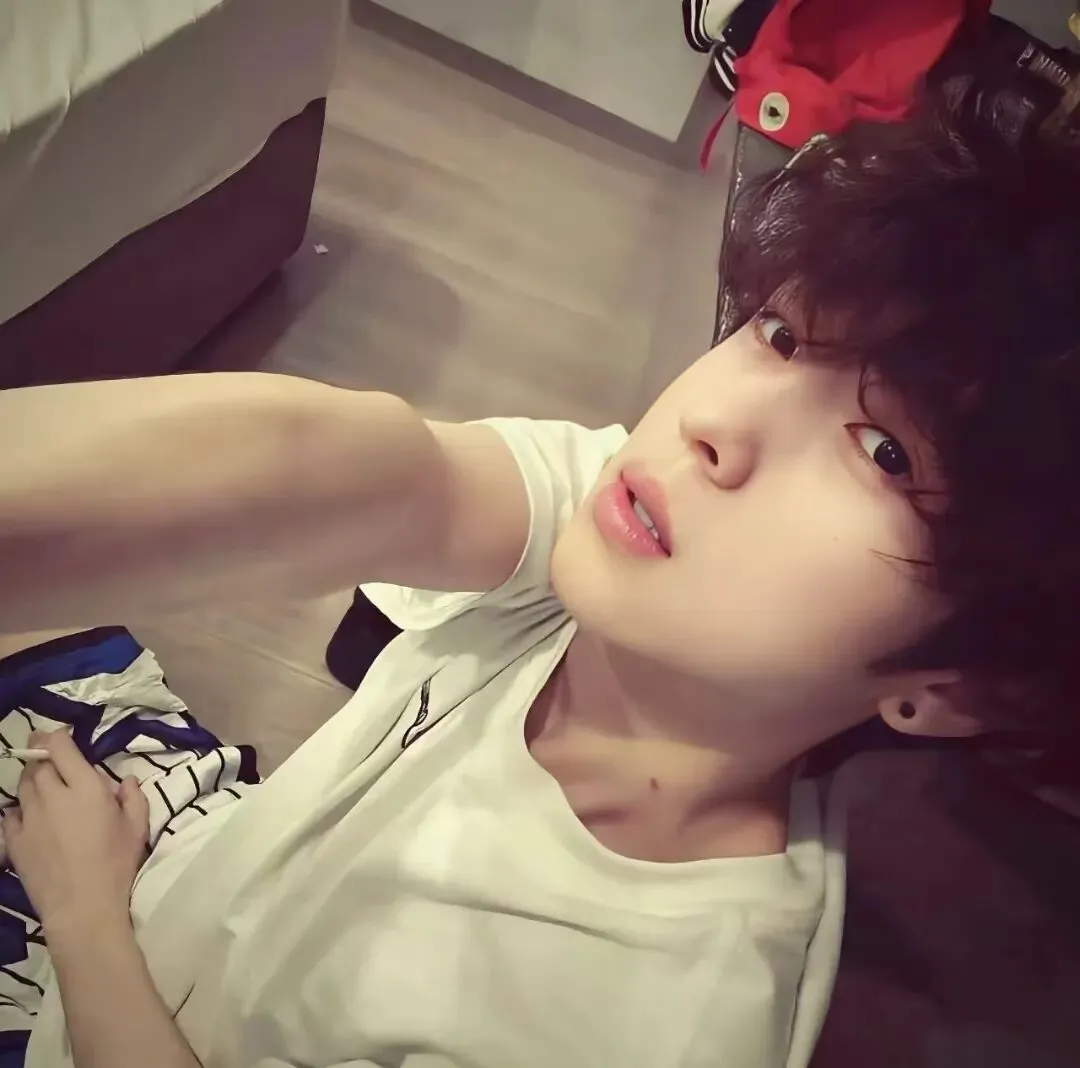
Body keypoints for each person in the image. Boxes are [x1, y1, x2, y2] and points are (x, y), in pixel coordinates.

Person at [1, 59, 1079, 1068]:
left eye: (885, 453)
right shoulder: (627, 550)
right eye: (781, 336)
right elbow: (342, 465)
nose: (716, 424)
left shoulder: (642, 1020)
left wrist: (86, 913)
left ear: (954, 686)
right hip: (189, 881)